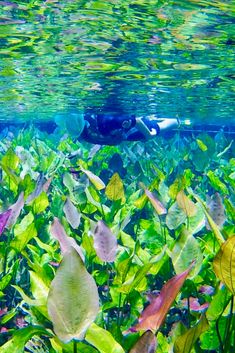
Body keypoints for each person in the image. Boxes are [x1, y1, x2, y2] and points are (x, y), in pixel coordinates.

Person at [55, 112, 179, 145]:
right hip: (121, 133)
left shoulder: (107, 122)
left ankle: (178, 121)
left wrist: (149, 135)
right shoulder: (86, 131)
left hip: (131, 130)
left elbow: (136, 120)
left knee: (157, 128)